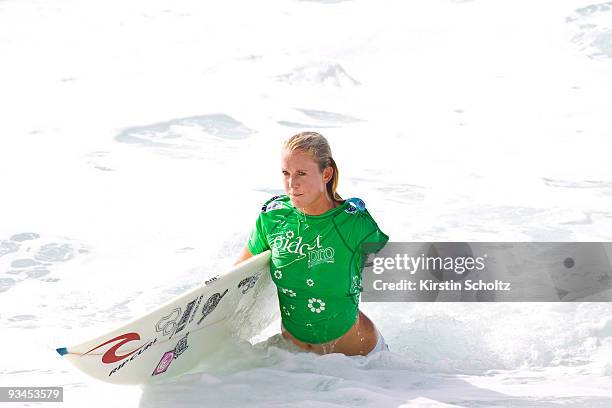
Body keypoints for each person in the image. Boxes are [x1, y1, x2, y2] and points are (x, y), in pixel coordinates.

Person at [235, 132, 389, 356]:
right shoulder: (274, 219)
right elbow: (239, 275)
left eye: (301, 173)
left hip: (358, 363)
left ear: (326, 174)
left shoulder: (352, 223)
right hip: (294, 360)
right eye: (285, 173)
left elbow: (389, 271)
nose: (291, 184)